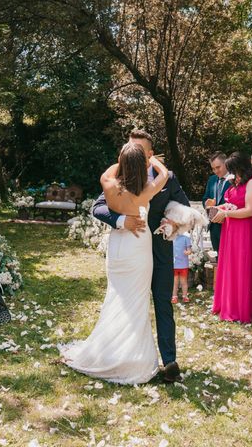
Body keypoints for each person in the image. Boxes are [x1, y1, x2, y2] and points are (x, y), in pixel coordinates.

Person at [61, 142, 169, 384]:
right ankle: (134, 359)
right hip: (139, 247)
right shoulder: (147, 190)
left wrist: (126, 158)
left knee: (116, 297)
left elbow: (108, 173)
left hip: (118, 248)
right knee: (137, 301)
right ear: (142, 165)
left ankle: (111, 352)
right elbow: (163, 173)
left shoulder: (109, 184)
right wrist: (151, 160)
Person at [92, 128, 190, 383]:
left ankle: (169, 362)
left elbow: (185, 208)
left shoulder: (167, 179)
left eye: (139, 148)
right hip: (134, 249)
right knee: (129, 303)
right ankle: (122, 356)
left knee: (162, 303)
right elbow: (98, 208)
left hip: (158, 250)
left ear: (149, 154)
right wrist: (123, 220)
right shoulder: (122, 177)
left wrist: (174, 222)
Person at [211, 152, 252, 323]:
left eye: (232, 170)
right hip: (230, 230)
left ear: (239, 167)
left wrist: (226, 213)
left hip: (244, 230)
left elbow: (250, 210)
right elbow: (232, 203)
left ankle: (244, 307)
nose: (231, 174)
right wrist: (220, 208)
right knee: (230, 266)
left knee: (242, 266)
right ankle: (229, 304)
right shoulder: (235, 184)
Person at [202, 152, 230, 252]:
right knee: (219, 260)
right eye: (213, 168)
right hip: (214, 226)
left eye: (218, 167)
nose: (215, 171)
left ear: (226, 163)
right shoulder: (212, 179)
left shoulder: (235, 179)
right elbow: (205, 198)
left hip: (229, 225)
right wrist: (206, 203)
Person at [172, 233, 192, 304]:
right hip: (174, 264)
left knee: (183, 282)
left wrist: (187, 252)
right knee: (175, 282)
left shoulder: (185, 238)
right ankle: (174, 296)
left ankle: (185, 296)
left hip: (183, 264)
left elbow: (189, 250)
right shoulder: (171, 238)